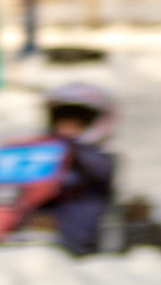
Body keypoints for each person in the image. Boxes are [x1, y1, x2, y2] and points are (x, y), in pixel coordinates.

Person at [39, 82, 118, 256]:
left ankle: (56, 239)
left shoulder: (97, 156)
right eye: (62, 121)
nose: (67, 127)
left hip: (77, 213)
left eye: (76, 123)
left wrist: (75, 155)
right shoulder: (43, 150)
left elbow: (101, 170)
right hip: (39, 205)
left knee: (76, 210)